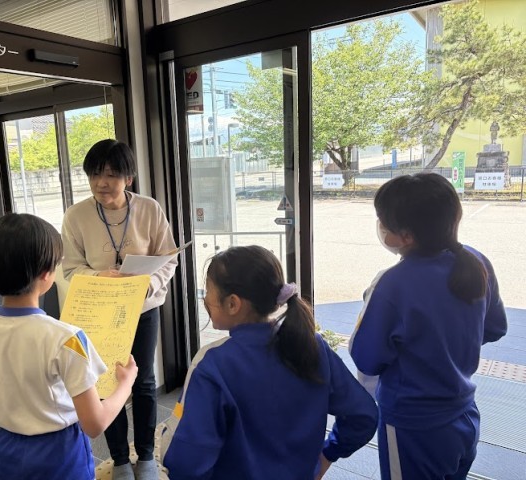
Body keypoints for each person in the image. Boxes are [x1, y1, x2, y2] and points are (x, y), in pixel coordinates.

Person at [163, 245, 378, 479]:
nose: (205, 299)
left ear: (233, 304)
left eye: (208, 291)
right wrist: (328, 454)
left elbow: (184, 460)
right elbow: (363, 415)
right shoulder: (312, 346)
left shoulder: (214, 364)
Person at [350, 173, 508, 480]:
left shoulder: (393, 284)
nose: (380, 226)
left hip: (414, 426)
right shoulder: (477, 262)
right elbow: (495, 328)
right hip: (464, 414)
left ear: (406, 236)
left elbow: (366, 358)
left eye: (382, 220)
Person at [0, 213, 138, 480]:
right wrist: (126, 383)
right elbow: (95, 424)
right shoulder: (67, 338)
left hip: (10, 452)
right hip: (60, 457)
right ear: (46, 274)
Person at [61, 139, 178, 480]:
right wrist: (100, 276)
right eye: (95, 174)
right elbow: (70, 268)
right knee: (105, 383)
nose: (101, 182)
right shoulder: (76, 215)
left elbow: (168, 259)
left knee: (143, 381)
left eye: (111, 174)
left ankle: (146, 456)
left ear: (128, 178)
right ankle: (120, 460)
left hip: (143, 309)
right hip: (100, 312)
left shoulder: (149, 209)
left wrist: (147, 286)